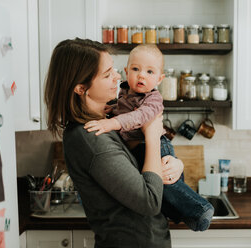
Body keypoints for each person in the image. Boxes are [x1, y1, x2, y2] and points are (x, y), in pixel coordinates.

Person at [44, 38, 185, 248]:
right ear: (81, 88)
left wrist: (176, 165)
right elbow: (150, 201)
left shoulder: (108, 122)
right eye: (108, 74)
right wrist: (153, 136)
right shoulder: (92, 137)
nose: (118, 76)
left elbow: (146, 170)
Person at [84, 44, 214, 231]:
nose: (141, 75)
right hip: (140, 147)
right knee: (158, 188)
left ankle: (200, 208)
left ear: (160, 79)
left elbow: (139, 117)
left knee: (165, 182)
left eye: (149, 71)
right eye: (136, 69)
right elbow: (120, 109)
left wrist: (112, 123)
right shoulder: (123, 92)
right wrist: (109, 111)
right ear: (127, 71)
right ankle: (183, 214)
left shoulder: (153, 99)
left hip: (157, 145)